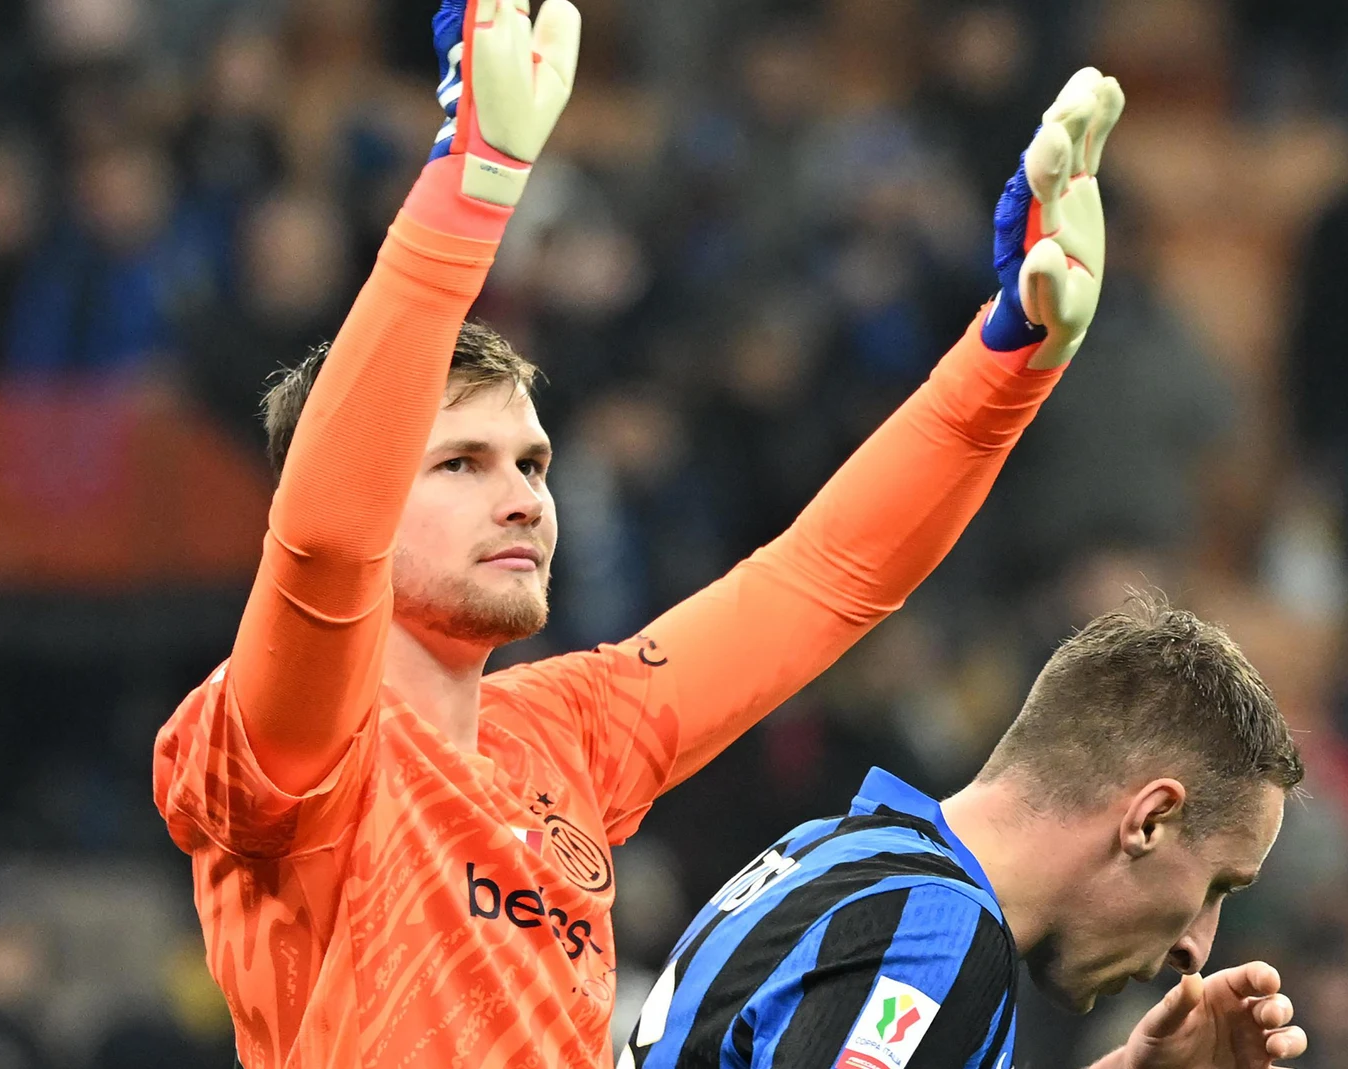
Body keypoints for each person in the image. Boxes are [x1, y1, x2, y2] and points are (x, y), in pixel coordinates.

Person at [153, 0, 1123, 1063]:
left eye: (532, 462)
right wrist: (469, 187)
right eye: (461, 464)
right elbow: (325, 541)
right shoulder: (283, 737)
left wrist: (1010, 362)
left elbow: (820, 578)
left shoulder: (565, 731)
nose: (523, 495)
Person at [620, 596, 1310, 1069]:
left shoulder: (836, 851)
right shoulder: (935, 932)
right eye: (1217, 885)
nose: (1198, 947)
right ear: (1149, 820)